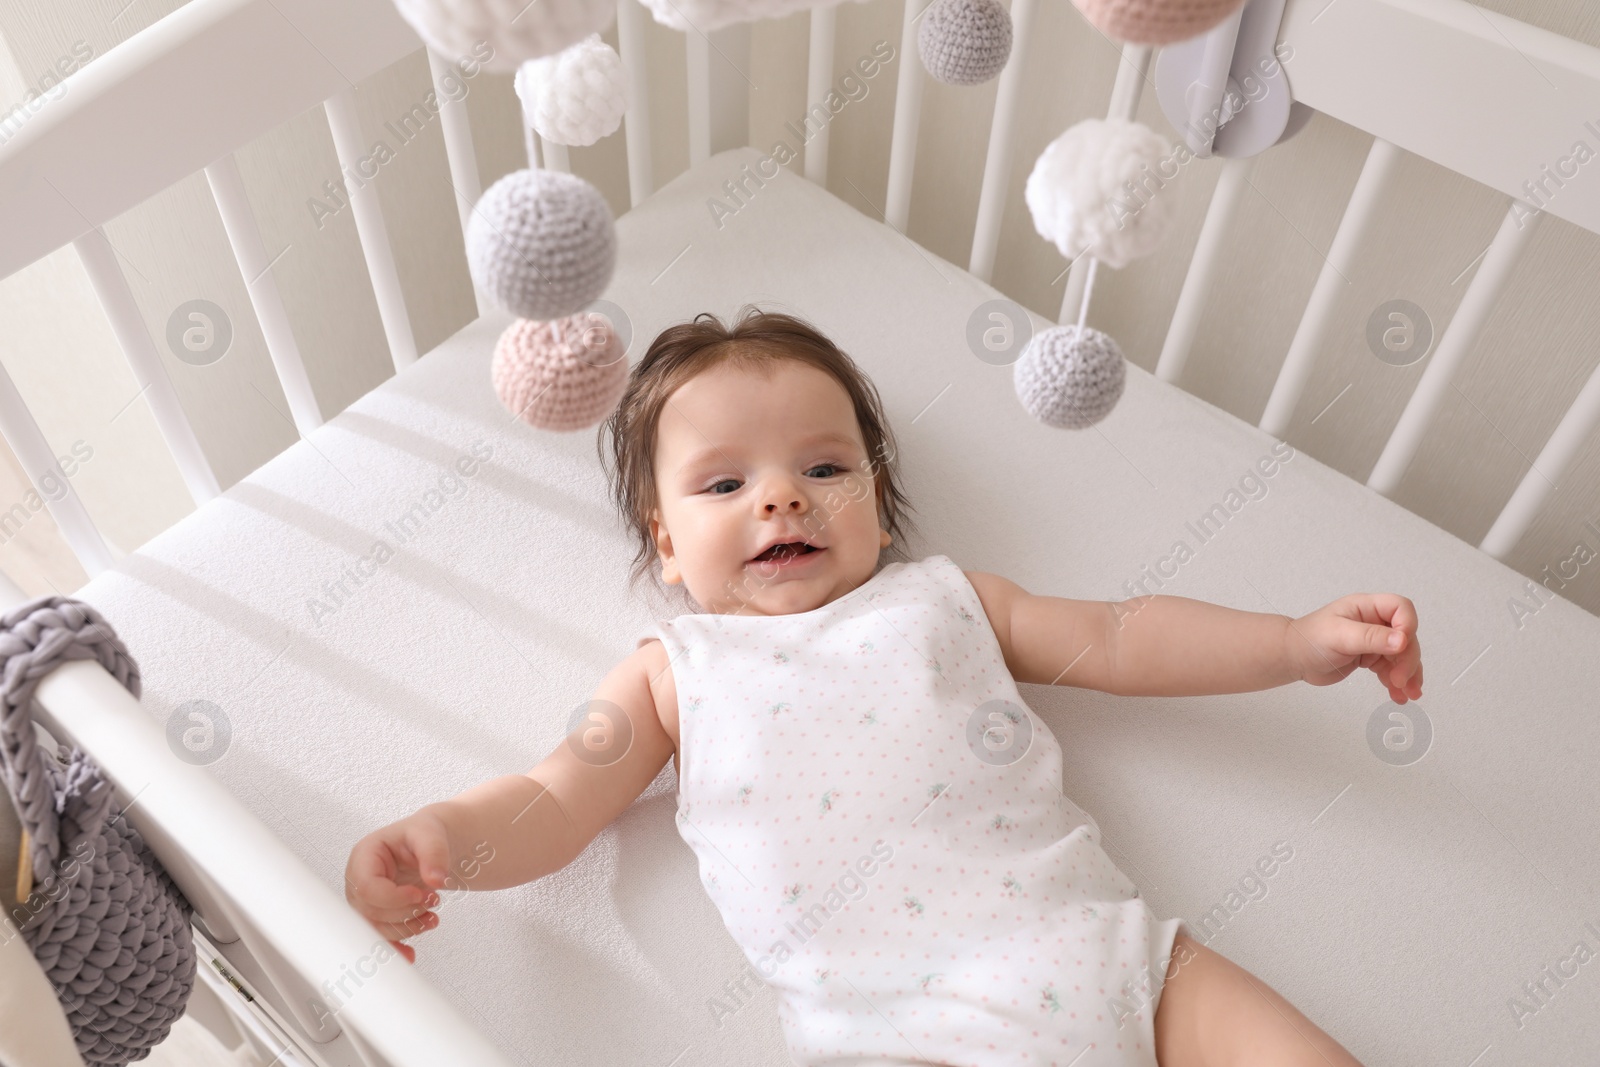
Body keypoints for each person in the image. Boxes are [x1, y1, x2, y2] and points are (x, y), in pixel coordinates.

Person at [345, 307, 1422, 1066]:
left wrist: (1290, 641)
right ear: (667, 541)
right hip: (889, 1026)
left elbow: (1119, 634)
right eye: (727, 483)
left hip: (1100, 951)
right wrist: (446, 835)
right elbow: (551, 797)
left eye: (823, 468)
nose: (781, 498)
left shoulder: (947, 601)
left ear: (879, 501)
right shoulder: (676, 673)